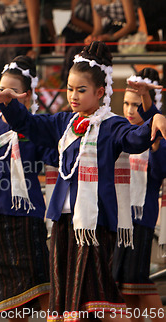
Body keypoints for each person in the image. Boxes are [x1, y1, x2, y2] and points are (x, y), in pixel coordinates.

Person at [0, 41, 166, 321]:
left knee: (98, 297)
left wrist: (154, 122)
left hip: (95, 224)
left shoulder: (111, 124)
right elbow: (31, 125)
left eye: (81, 90)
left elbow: (133, 138)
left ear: (100, 92)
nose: (74, 96)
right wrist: (10, 104)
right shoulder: (64, 123)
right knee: (68, 298)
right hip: (63, 222)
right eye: (70, 89)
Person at [0, 55, 55, 320]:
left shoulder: (37, 127)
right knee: (8, 289)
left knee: (41, 283)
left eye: (12, 92)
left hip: (25, 214)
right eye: (0, 90)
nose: (3, 96)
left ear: (27, 97)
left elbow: (57, 157)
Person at [112, 68, 166, 322]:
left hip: (141, 216)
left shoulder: (157, 133)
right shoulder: (120, 130)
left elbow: (160, 170)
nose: (130, 110)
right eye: (126, 103)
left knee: (137, 280)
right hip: (120, 215)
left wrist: (155, 142)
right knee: (124, 282)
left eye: (137, 104)